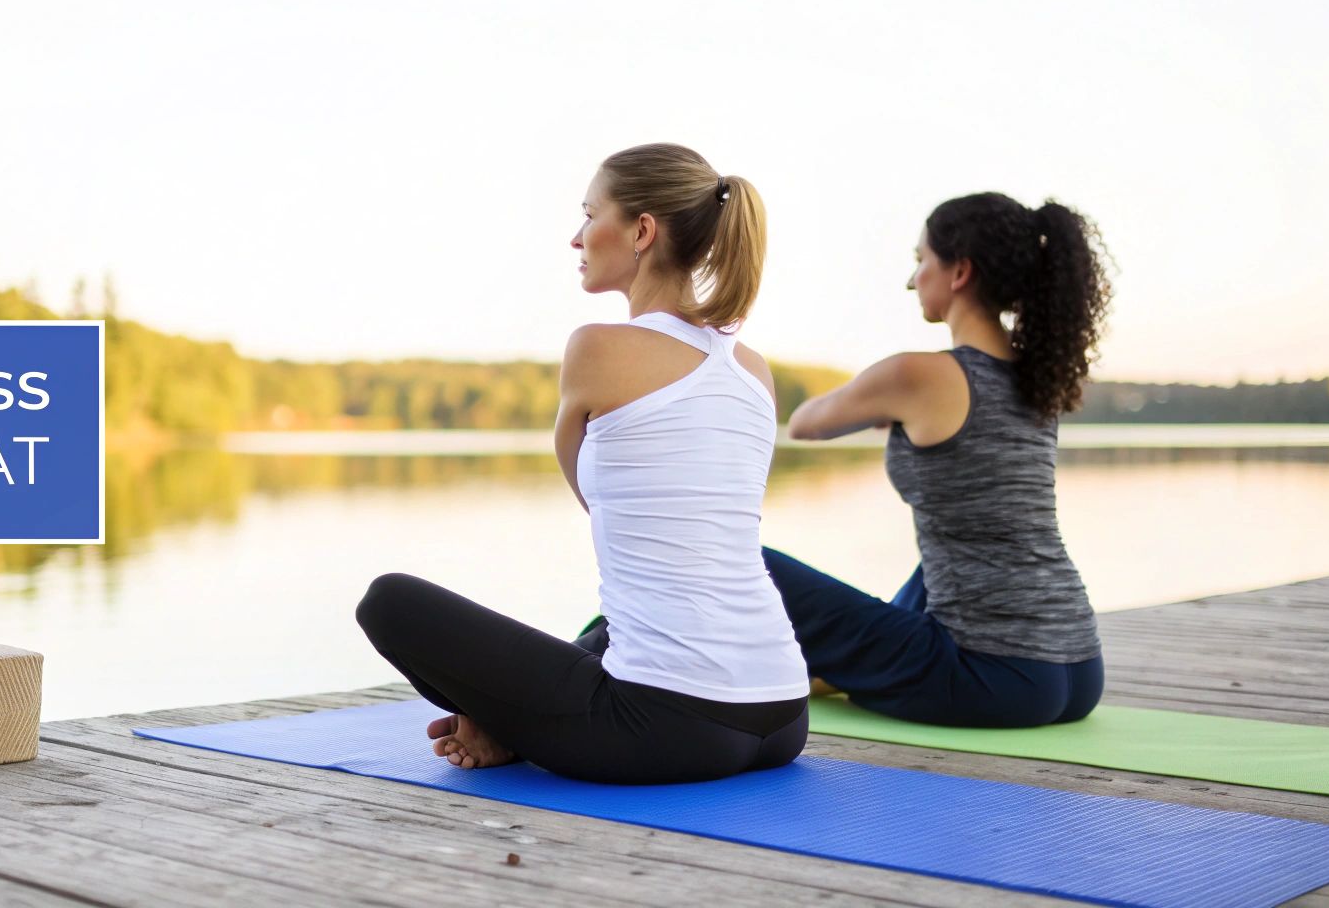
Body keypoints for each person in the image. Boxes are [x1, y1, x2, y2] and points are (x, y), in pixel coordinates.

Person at [354, 142, 811, 785]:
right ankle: (504, 725)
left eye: (591, 214)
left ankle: (500, 726)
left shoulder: (598, 347)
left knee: (388, 603)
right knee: (607, 630)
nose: (576, 236)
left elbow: (590, 498)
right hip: (783, 713)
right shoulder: (753, 370)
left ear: (642, 231)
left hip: (667, 729)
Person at [764, 192, 1114, 727]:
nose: (912, 280)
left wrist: (882, 405)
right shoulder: (1037, 380)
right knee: (945, 554)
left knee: (746, 558)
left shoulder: (917, 374)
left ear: (960, 272)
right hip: (1080, 668)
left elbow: (805, 423)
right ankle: (847, 669)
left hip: (989, 676)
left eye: (920, 260)